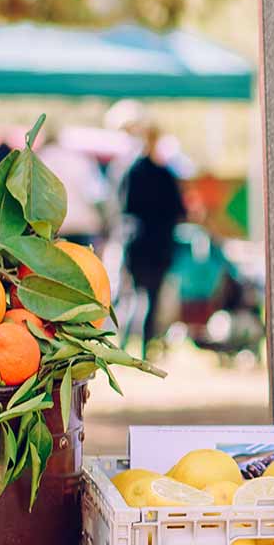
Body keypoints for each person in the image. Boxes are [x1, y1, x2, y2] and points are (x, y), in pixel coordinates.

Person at [109, 102, 187, 356]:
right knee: (149, 297)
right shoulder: (165, 174)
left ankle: (122, 343)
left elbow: (122, 205)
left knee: (130, 294)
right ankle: (143, 346)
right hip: (158, 242)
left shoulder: (130, 171)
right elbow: (179, 210)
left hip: (135, 240)